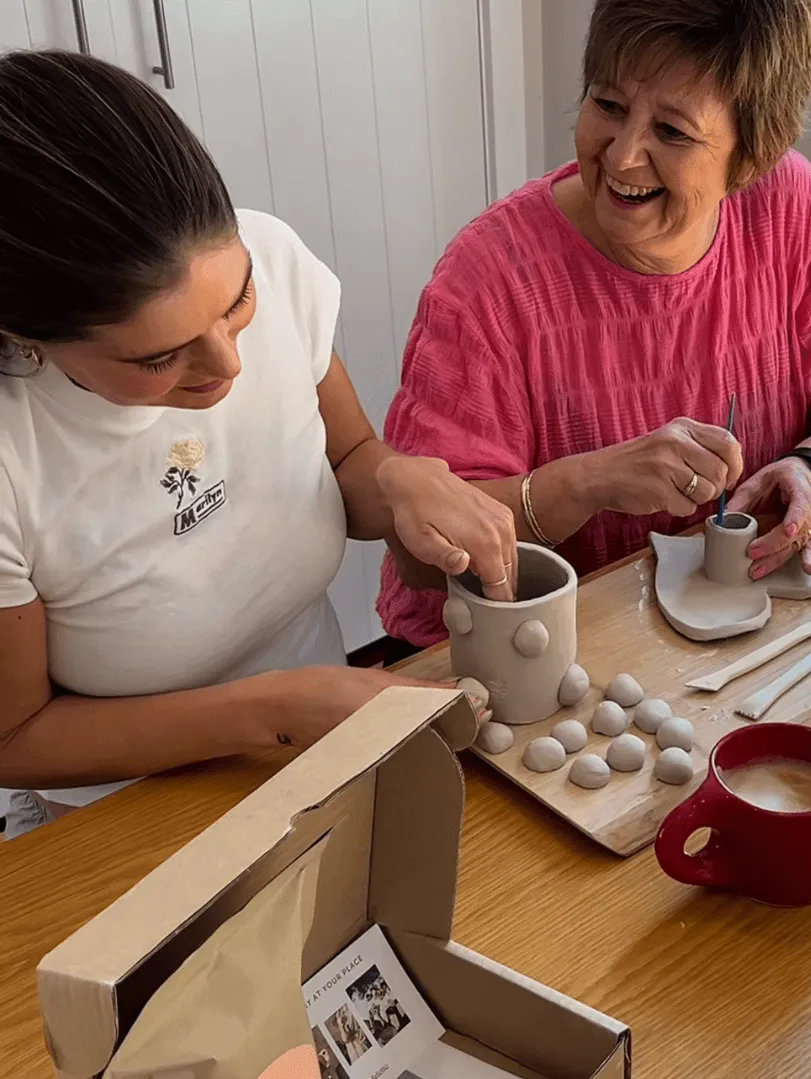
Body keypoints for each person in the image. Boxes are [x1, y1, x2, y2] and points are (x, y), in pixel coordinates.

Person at [0, 51, 516, 837]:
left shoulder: (272, 258)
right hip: (122, 816)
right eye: (157, 358)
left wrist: (401, 479)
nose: (228, 364)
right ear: (26, 338)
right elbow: (14, 738)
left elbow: (348, 464)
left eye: (236, 303)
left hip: (321, 743)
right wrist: (270, 713)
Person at [377, 0, 811, 650]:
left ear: (751, 157)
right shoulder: (490, 279)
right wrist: (588, 482)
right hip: (527, 657)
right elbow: (420, 556)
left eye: (672, 132)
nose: (624, 155)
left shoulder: (788, 209)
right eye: (608, 105)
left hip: (739, 640)